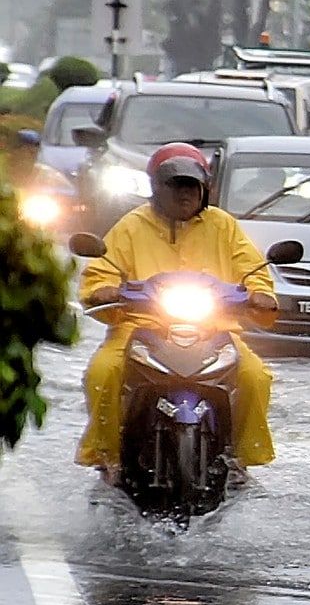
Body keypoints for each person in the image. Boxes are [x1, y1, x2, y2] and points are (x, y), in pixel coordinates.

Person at [76, 143, 279, 484]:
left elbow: (253, 271)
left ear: (204, 189)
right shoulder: (132, 225)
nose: (184, 194)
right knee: (102, 372)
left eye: (191, 185)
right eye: (175, 185)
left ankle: (240, 459)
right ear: (156, 188)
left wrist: (261, 295)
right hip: (141, 327)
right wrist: (104, 289)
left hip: (212, 327)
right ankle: (108, 456)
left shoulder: (223, 226)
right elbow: (103, 270)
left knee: (254, 376)